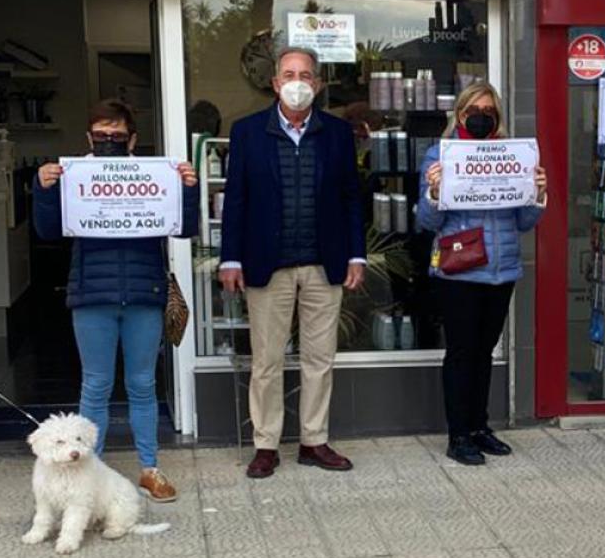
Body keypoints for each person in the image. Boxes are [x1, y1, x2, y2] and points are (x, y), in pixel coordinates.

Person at [32, 99, 199, 502]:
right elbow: (48, 230)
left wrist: (188, 190)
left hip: (144, 293)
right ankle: (89, 475)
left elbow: (186, 228)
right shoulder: (73, 177)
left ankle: (149, 469)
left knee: (142, 385)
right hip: (93, 297)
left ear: (133, 140)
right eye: (102, 135)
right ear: (90, 137)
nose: (109, 141)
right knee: (96, 386)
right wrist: (43, 189)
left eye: (118, 136)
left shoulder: (154, 177)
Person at [218, 47, 366, 479]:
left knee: (320, 358)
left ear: (317, 84)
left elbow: (350, 198)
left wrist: (356, 253)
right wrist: (230, 257)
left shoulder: (337, 133)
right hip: (268, 263)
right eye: (289, 73)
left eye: (305, 74)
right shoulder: (247, 132)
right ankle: (266, 445)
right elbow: (237, 201)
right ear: (276, 83)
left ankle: (313, 441)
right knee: (266, 360)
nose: (297, 81)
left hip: (325, 263)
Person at [419, 83, 546, 465]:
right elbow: (426, 221)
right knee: (461, 353)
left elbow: (524, 221)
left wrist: (537, 193)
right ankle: (458, 434)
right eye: (474, 108)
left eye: (489, 109)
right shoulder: (438, 156)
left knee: (484, 353)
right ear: (459, 115)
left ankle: (479, 426)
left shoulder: (512, 155)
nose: (481, 115)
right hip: (460, 270)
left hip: (501, 270)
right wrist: (435, 190)